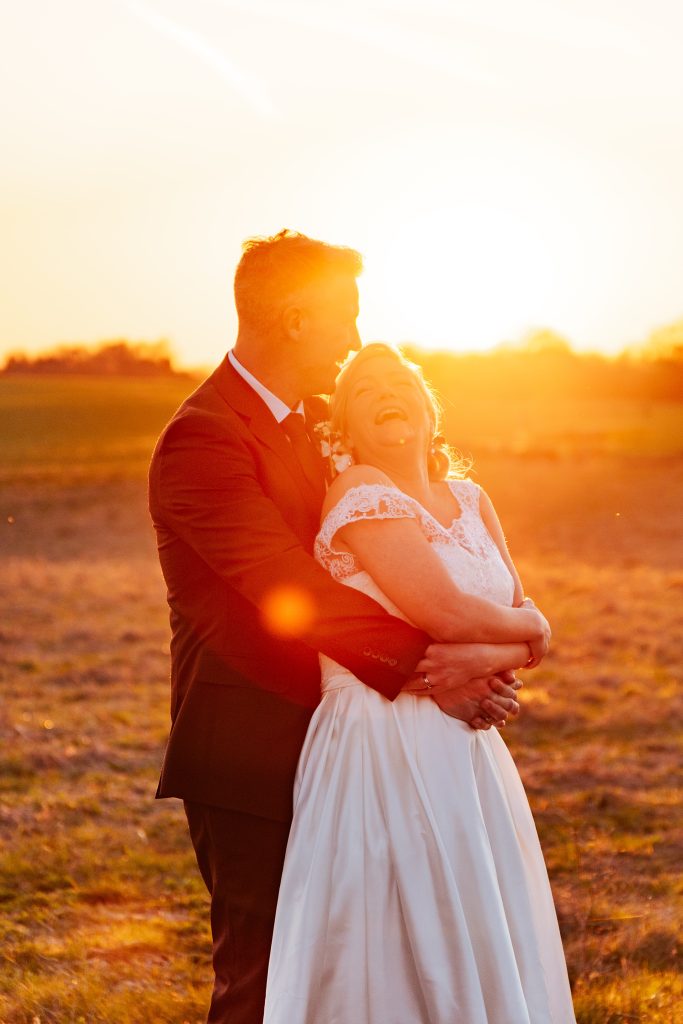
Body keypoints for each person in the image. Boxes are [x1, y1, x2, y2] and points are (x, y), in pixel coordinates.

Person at [148, 231, 533, 1024]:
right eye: (344, 318)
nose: (354, 341)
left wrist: (482, 644)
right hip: (251, 742)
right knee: (265, 980)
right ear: (294, 319)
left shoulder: (319, 425)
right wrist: (438, 669)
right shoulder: (203, 438)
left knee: (369, 968)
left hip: (356, 738)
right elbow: (288, 591)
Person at [263, 343, 576, 1023]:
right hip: (382, 736)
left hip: (467, 743)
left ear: (429, 407)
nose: (386, 392)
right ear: (344, 425)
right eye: (364, 388)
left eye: (400, 380)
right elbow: (446, 611)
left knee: (475, 909)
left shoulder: (471, 497)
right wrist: (533, 633)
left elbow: (509, 605)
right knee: (398, 930)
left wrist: (520, 635)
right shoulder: (360, 493)